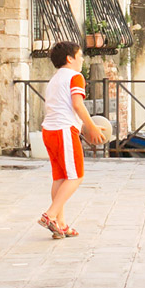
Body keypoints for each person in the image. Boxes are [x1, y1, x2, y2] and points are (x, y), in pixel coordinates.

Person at [39, 40, 106, 238]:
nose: (82, 59)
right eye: (80, 56)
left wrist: (84, 128)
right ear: (70, 58)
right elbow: (77, 104)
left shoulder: (55, 79)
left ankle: (61, 224)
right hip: (63, 130)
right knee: (76, 176)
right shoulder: (75, 77)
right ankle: (50, 215)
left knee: (60, 177)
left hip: (49, 130)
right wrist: (91, 127)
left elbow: (65, 107)